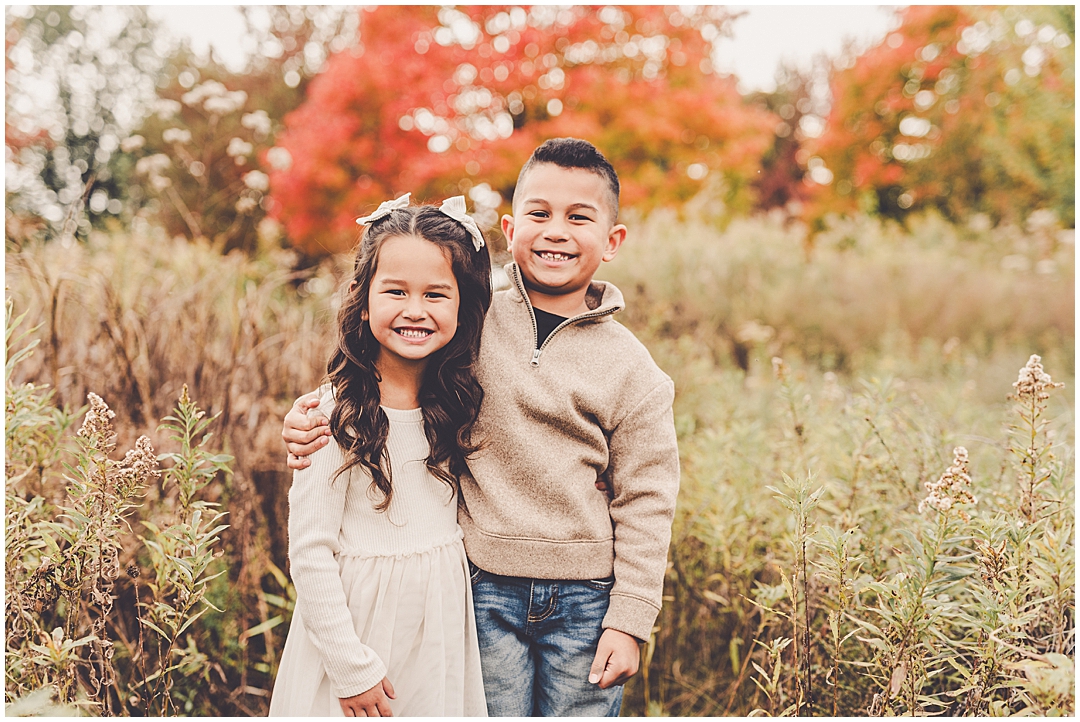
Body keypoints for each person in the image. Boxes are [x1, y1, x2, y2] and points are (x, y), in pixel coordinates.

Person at [283, 138, 680, 717]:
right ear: (510, 229)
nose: (556, 232)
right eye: (539, 214)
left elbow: (647, 498)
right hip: (484, 586)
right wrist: (308, 415)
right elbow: (393, 357)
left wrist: (631, 618)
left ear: (612, 240)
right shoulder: (471, 317)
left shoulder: (633, 370)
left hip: (586, 598)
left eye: (578, 217)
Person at [268, 195, 492, 717]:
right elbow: (310, 554)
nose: (415, 310)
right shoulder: (332, 416)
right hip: (355, 638)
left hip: (436, 638)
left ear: (462, 308)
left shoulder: (459, 407)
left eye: (435, 294)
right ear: (362, 300)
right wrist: (350, 667)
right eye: (395, 291)